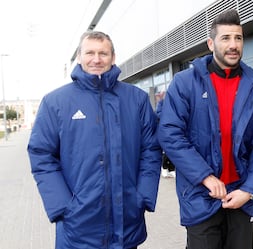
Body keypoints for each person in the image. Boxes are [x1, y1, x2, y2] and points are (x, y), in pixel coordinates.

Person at [27, 31, 162, 249]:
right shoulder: (55, 102)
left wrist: (142, 196)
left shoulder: (136, 99)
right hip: (77, 226)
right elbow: (41, 155)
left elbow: (151, 150)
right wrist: (63, 206)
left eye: (103, 53)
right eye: (90, 52)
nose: (96, 59)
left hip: (127, 220)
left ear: (113, 57)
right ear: (79, 57)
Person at [157, 9, 253, 249]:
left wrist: (250, 189)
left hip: (241, 197)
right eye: (226, 38)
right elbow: (170, 133)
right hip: (200, 196)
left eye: (238, 38)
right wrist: (204, 176)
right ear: (211, 43)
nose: (233, 45)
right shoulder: (185, 83)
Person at [155, 91, 176, 178]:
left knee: (173, 151)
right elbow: (159, 114)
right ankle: (164, 168)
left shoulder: (172, 105)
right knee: (166, 151)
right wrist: (160, 101)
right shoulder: (161, 105)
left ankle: (171, 169)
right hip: (164, 132)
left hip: (172, 131)